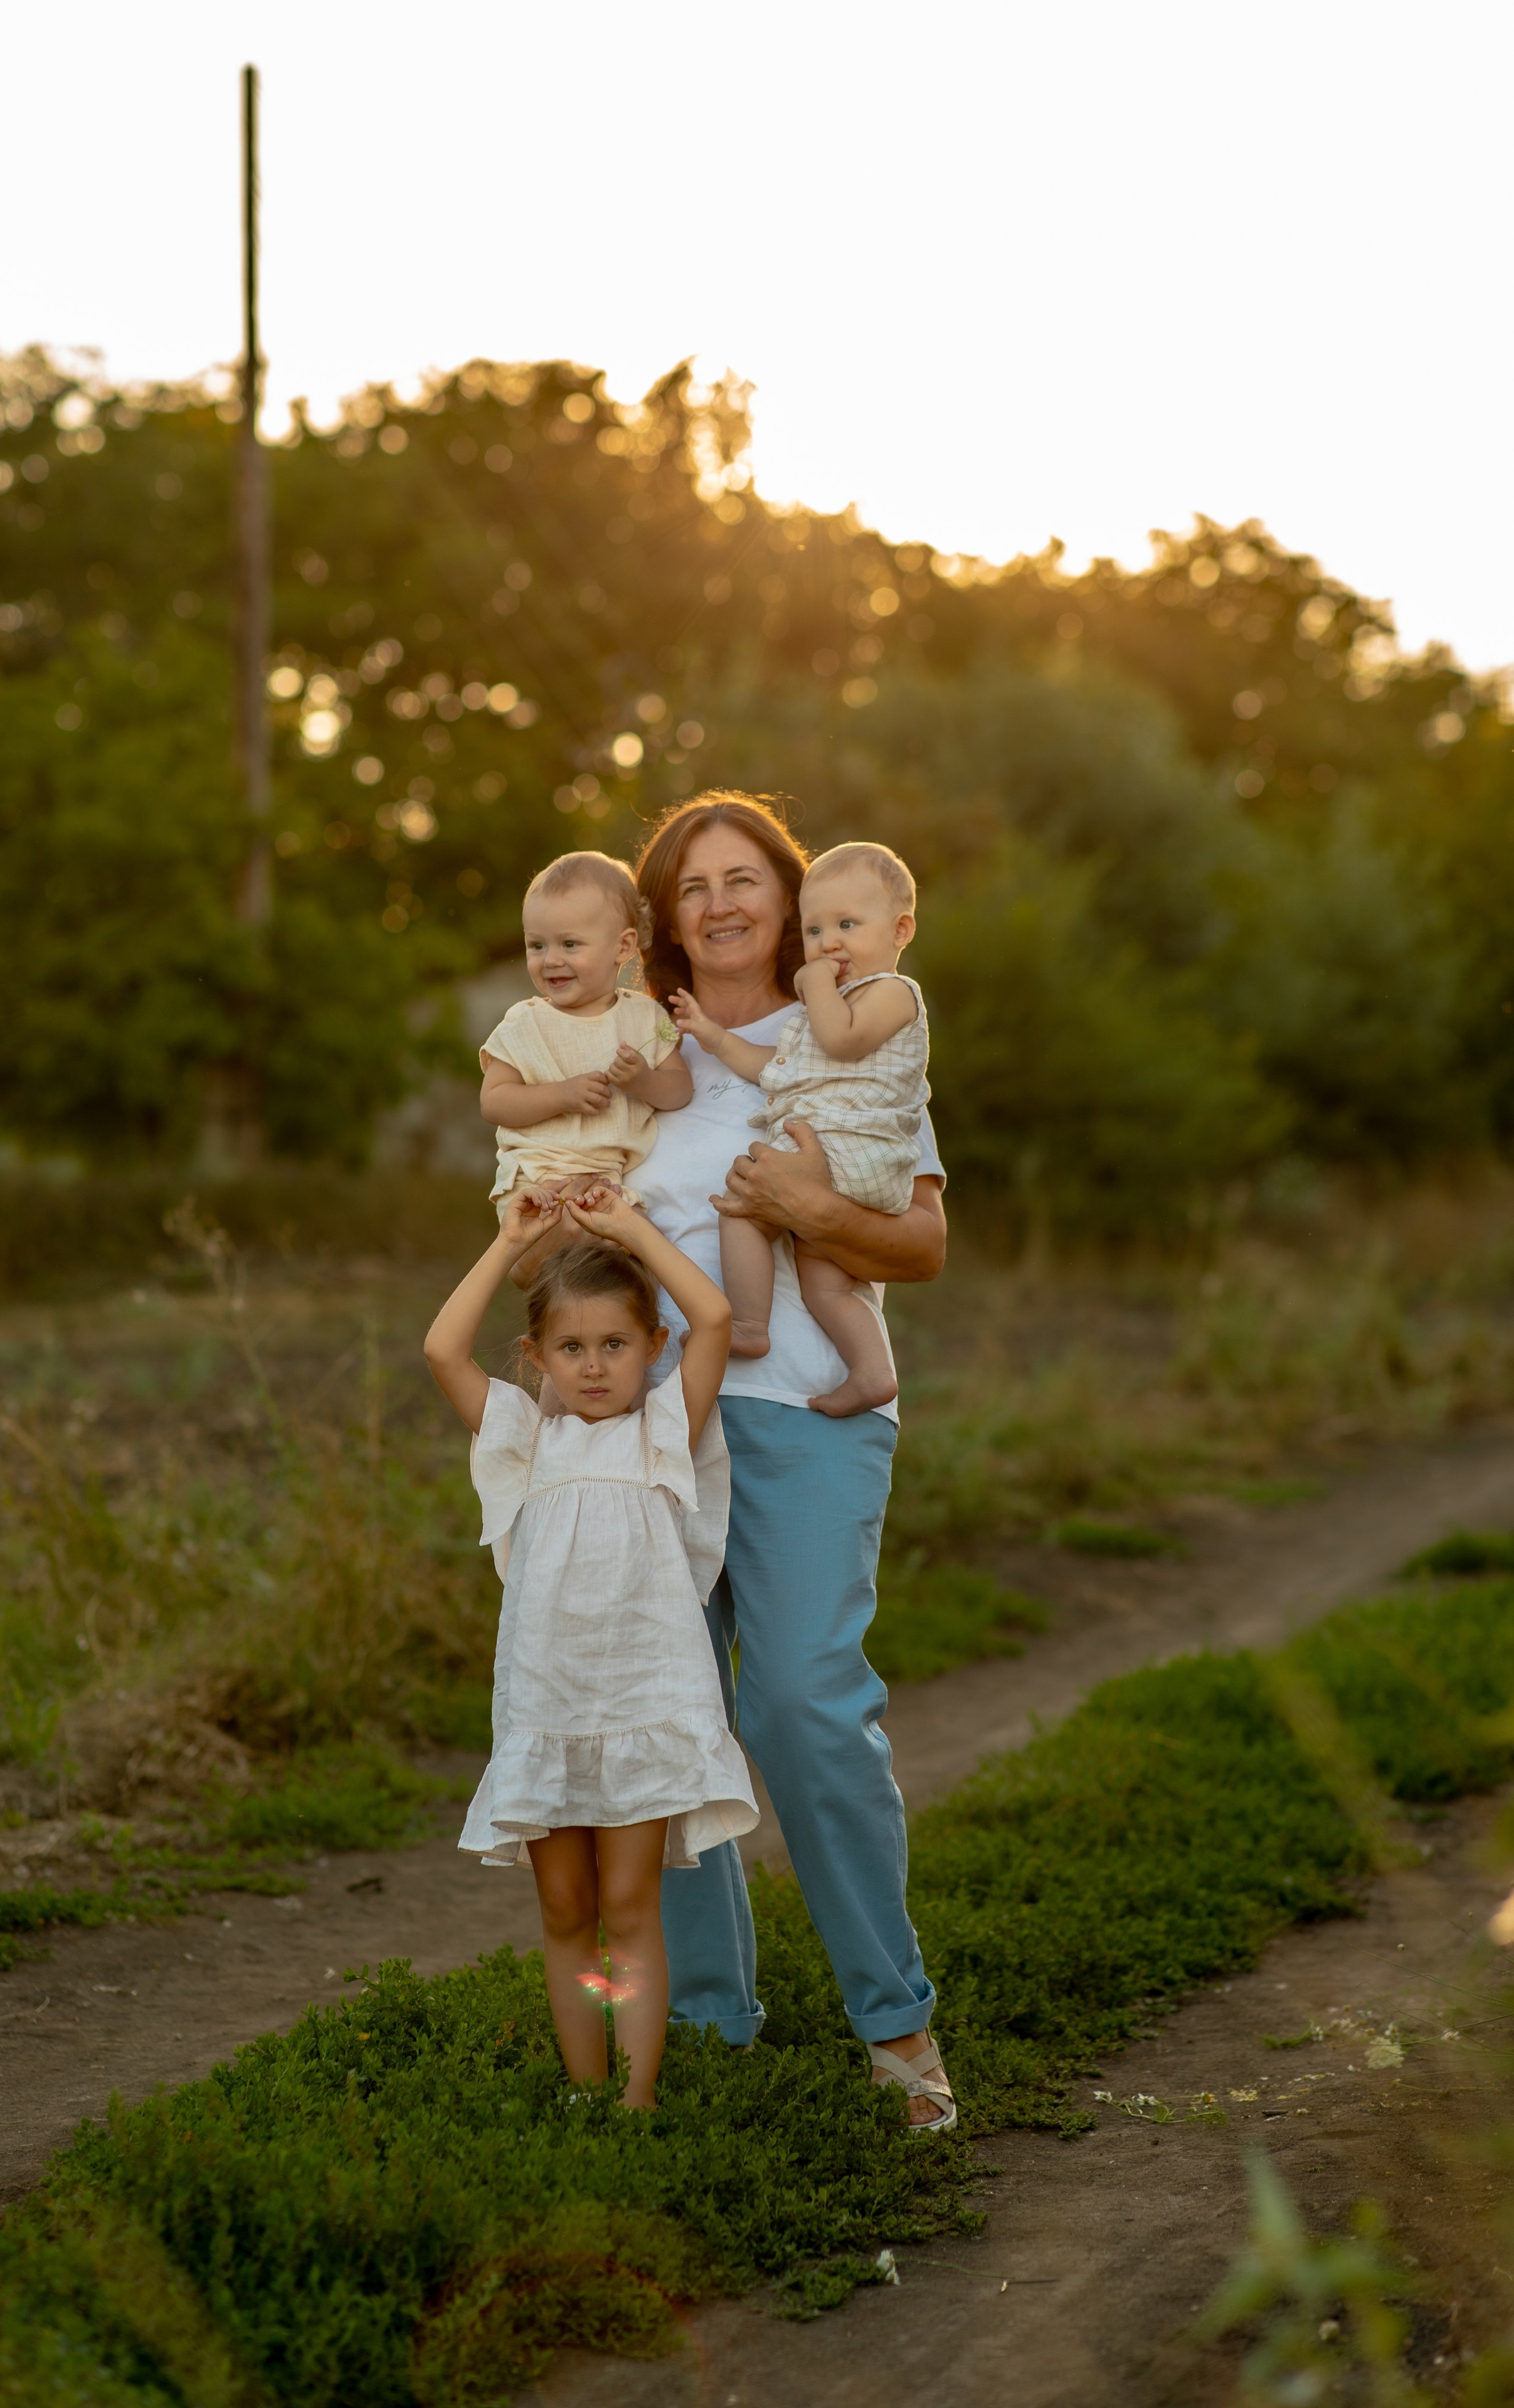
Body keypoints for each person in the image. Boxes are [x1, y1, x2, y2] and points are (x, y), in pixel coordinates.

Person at [627, 791, 958, 2133]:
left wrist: (805, 1207)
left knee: (804, 1708)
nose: (717, 903)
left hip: (807, 1405)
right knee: (668, 1717)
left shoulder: (856, 1031)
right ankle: (707, 2026)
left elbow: (920, 1245)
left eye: (742, 878)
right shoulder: (634, 1054)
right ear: (665, 917)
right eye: (690, 885)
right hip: (650, 1422)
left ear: (790, 896)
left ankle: (897, 2028)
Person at [422, 1185, 757, 2112]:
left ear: (653, 1349)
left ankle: (637, 2101)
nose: (595, 1366)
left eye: (616, 1344)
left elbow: (718, 1315)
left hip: (642, 1707)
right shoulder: (526, 1442)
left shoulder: (663, 1434)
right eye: (571, 1348)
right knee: (566, 1913)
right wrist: (508, 1241)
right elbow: (443, 1349)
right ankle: (584, 2092)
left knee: (630, 1910)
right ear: (537, 1358)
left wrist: (631, 1231)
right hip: (548, 1708)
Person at [670, 840, 928, 1417]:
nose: (828, 943)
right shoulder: (821, 1014)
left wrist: (812, 987)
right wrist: (712, 1037)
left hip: (853, 1153)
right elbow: (776, 1071)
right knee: (826, 1281)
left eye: (847, 924)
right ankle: (871, 1370)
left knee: (741, 1204)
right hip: (846, 1161)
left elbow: (841, 1039)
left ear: (900, 930)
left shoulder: (892, 994)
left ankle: (749, 1325)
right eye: (815, 931)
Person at [479, 850, 691, 1275]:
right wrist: (561, 1095)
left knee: (648, 1269)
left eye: (569, 944)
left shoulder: (648, 1018)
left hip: (610, 1187)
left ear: (624, 946)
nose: (550, 959)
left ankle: (659, 1336)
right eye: (536, 945)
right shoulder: (526, 1022)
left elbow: (681, 1089)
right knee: (563, 1278)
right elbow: (495, 1102)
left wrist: (644, 1082)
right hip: (538, 1183)